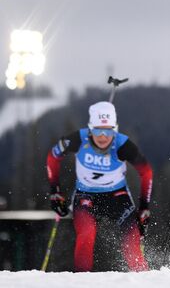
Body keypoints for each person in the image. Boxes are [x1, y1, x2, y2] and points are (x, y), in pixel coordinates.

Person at [46, 101, 153, 272]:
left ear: (114, 129)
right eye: (97, 130)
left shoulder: (122, 144)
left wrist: (144, 207)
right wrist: (55, 192)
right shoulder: (78, 139)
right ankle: (82, 281)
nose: (103, 136)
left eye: (108, 130)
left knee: (131, 237)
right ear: (90, 129)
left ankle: (143, 277)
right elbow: (53, 157)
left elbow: (146, 172)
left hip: (117, 195)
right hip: (86, 195)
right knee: (87, 233)